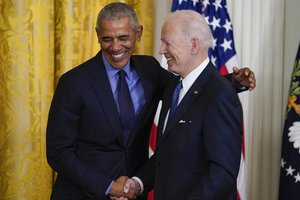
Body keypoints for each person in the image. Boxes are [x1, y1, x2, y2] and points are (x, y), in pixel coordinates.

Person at [46, 2, 255, 200]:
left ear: (138, 34)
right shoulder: (73, 83)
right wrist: (108, 186)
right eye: (107, 38)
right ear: (98, 36)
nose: (115, 46)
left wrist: (232, 83)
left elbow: (194, 89)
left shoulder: (151, 70)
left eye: (123, 37)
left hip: (135, 192)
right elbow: (58, 153)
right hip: (83, 194)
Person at [120, 10, 244, 200]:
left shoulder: (220, 95)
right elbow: (167, 154)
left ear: (193, 45)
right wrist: (138, 181)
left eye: (167, 42)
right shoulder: (173, 88)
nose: (161, 50)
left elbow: (222, 175)